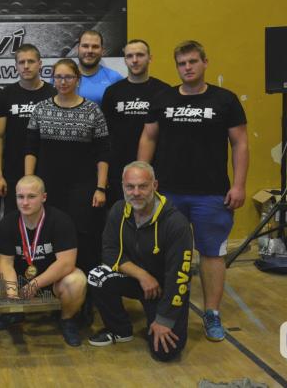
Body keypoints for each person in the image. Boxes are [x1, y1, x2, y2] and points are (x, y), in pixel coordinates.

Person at [138, 40, 249, 342]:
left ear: (205, 62)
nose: (187, 68)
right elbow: (149, 138)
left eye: (192, 62)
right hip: (167, 193)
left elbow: (240, 143)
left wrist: (239, 185)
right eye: (182, 63)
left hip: (211, 194)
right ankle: (165, 309)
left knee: (211, 254)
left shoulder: (225, 100)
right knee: (163, 252)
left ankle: (212, 313)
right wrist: (141, 181)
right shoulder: (162, 99)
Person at [25, 58, 109, 324]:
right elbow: (31, 149)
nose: (63, 82)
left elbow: (103, 153)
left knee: (84, 242)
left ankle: (85, 301)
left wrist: (100, 187)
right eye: (58, 77)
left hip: (83, 189)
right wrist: (29, 182)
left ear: (78, 80)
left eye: (68, 77)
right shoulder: (41, 109)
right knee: (51, 241)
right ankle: (53, 296)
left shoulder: (93, 111)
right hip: (49, 188)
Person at [87, 161, 193, 363]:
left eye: (143, 186)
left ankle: (156, 315)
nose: (136, 193)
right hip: (138, 281)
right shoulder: (118, 210)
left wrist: (164, 320)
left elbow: (180, 278)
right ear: (122, 187)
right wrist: (142, 275)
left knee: (165, 353)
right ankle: (119, 330)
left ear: (155, 185)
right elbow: (109, 253)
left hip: (165, 289)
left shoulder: (176, 224)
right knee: (96, 276)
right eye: (130, 187)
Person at [0, 175, 86, 346]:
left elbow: (66, 263)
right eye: (20, 197)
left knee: (77, 280)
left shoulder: (61, 220)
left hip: (52, 281)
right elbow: (6, 263)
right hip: (19, 280)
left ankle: (67, 320)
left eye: (31, 197)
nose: (25, 202)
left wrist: (35, 284)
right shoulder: (8, 222)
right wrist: (12, 294)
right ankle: (13, 314)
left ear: (43, 197)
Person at [101, 40, 170, 204]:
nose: (135, 60)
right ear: (125, 60)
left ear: (150, 58)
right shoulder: (112, 92)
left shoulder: (164, 91)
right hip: (118, 171)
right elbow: (105, 134)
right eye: (129, 56)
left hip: (155, 170)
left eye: (140, 55)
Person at [0, 44, 55, 213]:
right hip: (13, 172)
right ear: (16, 66)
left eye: (31, 61)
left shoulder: (53, 95)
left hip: (47, 169)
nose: (26, 66)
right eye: (21, 62)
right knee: (14, 220)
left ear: (40, 64)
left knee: (49, 219)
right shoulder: (4, 96)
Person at [75, 30, 123, 105]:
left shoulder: (114, 78)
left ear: (102, 50)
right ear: (77, 48)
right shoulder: (62, 77)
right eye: (85, 46)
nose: (90, 51)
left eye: (95, 47)